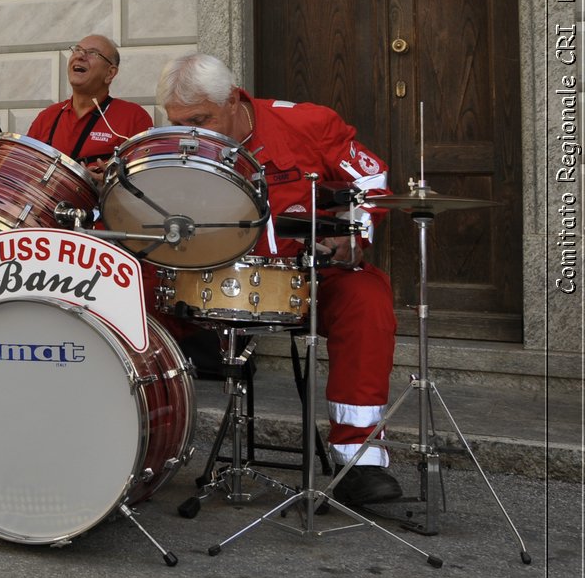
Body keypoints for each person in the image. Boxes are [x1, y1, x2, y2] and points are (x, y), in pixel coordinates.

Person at [155, 52, 401, 507]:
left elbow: (372, 179)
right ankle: (138, 449)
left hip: (307, 276)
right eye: (180, 122)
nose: (194, 133)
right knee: (133, 290)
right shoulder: (175, 142)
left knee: (366, 296)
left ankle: (359, 460)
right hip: (207, 277)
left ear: (232, 99)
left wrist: (354, 233)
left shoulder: (307, 124)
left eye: (202, 119)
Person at [26, 34, 153, 176]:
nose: (80, 56)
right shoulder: (47, 116)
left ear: (110, 73)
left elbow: (145, 180)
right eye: (78, 50)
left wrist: (110, 181)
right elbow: (26, 171)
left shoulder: (133, 117)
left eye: (92, 53)